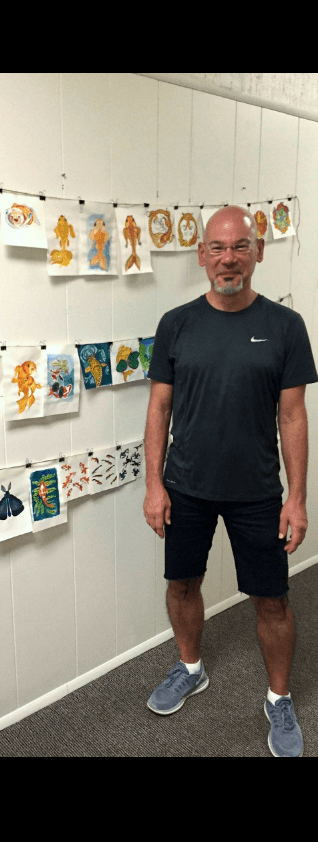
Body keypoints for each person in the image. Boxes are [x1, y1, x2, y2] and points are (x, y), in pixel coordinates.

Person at [143, 205, 318, 757]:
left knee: (273, 601)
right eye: (217, 247)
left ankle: (279, 698)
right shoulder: (176, 323)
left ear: (258, 251)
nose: (228, 258)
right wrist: (154, 485)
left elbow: (293, 416)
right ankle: (190, 667)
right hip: (186, 486)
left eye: (240, 246)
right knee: (182, 584)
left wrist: (297, 499)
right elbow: (159, 408)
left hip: (258, 492)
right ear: (201, 255)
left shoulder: (286, 326)